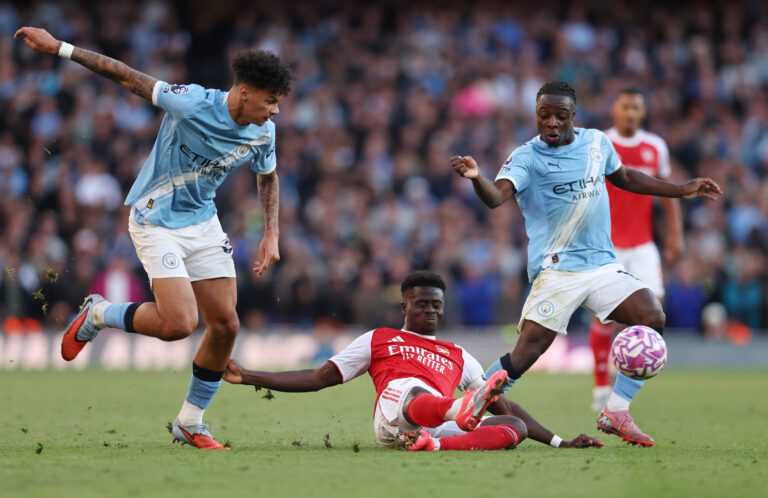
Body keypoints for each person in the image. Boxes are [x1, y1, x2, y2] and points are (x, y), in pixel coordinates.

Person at [15, 27, 293, 449]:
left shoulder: (263, 133)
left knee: (225, 324)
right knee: (180, 324)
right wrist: (61, 48)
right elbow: (127, 75)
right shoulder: (193, 101)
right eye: (271, 100)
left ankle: (190, 422)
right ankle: (99, 315)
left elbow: (268, 177)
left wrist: (272, 230)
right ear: (246, 91)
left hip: (202, 223)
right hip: (155, 218)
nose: (275, 111)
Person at [450, 81, 721, 447]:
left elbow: (625, 177)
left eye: (560, 115)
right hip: (557, 270)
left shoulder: (596, 143)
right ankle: (474, 397)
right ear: (537, 114)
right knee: (527, 352)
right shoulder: (526, 157)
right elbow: (497, 197)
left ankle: (616, 410)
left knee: (652, 316)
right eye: (544, 115)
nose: (551, 122)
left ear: (573, 115)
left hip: (601, 266)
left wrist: (681, 189)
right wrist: (476, 178)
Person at [223, 271, 603, 451]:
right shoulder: (380, 338)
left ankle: (433, 445)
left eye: (437, 304)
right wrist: (249, 375)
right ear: (403, 304)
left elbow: (504, 401)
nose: (431, 310)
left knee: (512, 425)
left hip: (432, 430)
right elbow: (317, 377)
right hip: (393, 415)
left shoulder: (458, 354)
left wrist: (559, 442)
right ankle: (459, 409)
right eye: (421, 303)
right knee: (411, 387)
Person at [588, 88, 683, 412]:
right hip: (606, 244)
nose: (630, 113)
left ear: (643, 113)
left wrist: (676, 233)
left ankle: (624, 384)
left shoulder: (655, 146)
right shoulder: (599, 142)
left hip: (643, 244)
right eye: (625, 106)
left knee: (653, 312)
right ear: (614, 108)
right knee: (606, 318)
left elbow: (668, 192)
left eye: (636, 108)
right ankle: (601, 386)